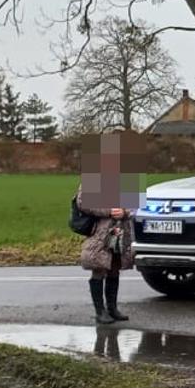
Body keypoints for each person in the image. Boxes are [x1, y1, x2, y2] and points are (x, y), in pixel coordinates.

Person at [75, 131, 145, 325]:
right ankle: (100, 311)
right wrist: (108, 210)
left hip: (121, 231)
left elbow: (137, 205)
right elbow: (83, 202)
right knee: (99, 268)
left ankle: (112, 308)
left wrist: (125, 212)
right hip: (101, 231)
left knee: (114, 268)